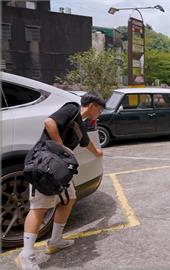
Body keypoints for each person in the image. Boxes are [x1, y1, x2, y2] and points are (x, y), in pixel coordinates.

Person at [17, 92, 105, 270]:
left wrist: (96, 152)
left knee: (69, 199)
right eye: (101, 110)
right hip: (45, 165)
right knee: (39, 208)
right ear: (93, 106)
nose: (100, 114)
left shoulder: (81, 124)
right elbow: (49, 123)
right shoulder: (72, 108)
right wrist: (61, 148)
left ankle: (55, 241)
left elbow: (85, 142)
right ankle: (25, 255)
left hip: (60, 170)